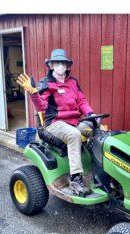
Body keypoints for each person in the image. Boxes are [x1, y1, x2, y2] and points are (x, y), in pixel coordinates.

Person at [17, 49, 95, 195]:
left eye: (63, 63)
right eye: (57, 63)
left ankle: (98, 170)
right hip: (55, 123)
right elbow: (41, 106)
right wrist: (33, 92)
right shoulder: (46, 83)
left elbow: (82, 101)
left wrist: (91, 114)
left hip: (74, 121)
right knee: (74, 135)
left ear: (67, 65)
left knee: (97, 131)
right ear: (51, 65)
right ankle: (75, 178)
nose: (61, 66)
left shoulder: (73, 82)